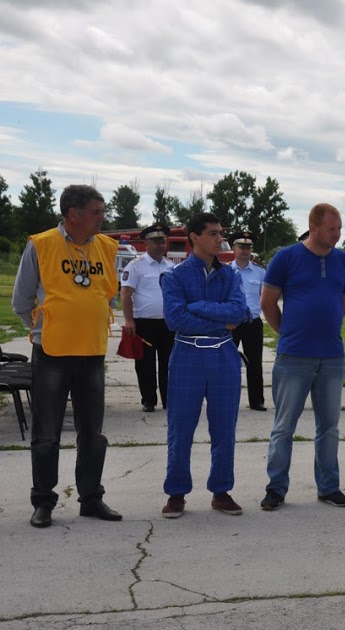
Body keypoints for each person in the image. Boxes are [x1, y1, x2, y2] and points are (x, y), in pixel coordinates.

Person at [13, 185, 123, 528]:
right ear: (73, 213)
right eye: (96, 212)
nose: (102, 218)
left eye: (102, 211)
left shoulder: (106, 247)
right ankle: (43, 502)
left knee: (93, 433)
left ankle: (91, 499)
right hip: (52, 353)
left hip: (92, 353)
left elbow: (109, 295)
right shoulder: (42, 244)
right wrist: (43, 330)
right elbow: (21, 300)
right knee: (47, 433)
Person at [259, 204, 345, 511]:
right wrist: (288, 333)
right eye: (332, 229)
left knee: (329, 426)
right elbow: (268, 303)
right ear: (313, 227)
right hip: (294, 357)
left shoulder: (344, 260)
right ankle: (276, 488)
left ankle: (328, 487)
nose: (337, 235)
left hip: (331, 357)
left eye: (339, 229)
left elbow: (344, 303)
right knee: (284, 426)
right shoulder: (286, 257)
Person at [160, 213, 251, 519]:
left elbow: (238, 312)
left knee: (224, 426)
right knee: (181, 426)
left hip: (224, 355)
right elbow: (175, 319)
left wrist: (198, 306)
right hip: (187, 355)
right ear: (194, 237)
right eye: (213, 233)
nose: (219, 239)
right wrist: (220, 320)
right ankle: (176, 492)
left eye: (220, 233)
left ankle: (221, 491)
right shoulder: (174, 276)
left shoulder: (231, 276)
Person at [121, 222, 175, 412]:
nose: (160, 245)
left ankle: (169, 400)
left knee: (169, 363)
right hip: (144, 323)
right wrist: (129, 320)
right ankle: (149, 400)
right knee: (145, 364)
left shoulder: (171, 266)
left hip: (168, 323)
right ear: (146, 243)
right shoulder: (136, 266)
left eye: (163, 242)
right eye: (156, 242)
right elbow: (126, 294)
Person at [229, 231, 267, 411]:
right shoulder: (226, 271)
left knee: (255, 362)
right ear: (233, 248)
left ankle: (256, 400)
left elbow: (265, 297)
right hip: (232, 323)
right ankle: (228, 399)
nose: (245, 251)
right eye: (241, 247)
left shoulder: (260, 272)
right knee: (229, 363)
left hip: (253, 323)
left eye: (248, 247)